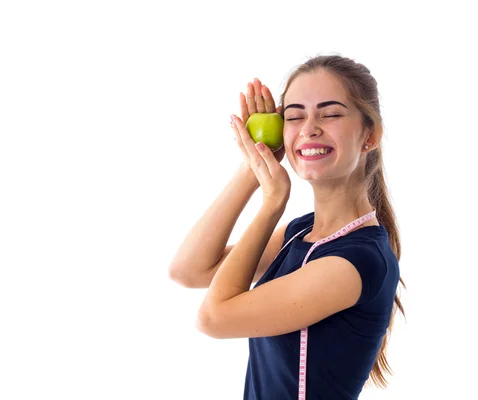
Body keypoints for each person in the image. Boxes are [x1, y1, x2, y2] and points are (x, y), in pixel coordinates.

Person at [168, 54, 406, 400]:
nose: (309, 128)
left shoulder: (355, 261)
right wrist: (253, 168)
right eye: (294, 116)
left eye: (331, 113)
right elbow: (188, 270)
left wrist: (271, 203)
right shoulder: (301, 233)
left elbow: (213, 318)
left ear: (370, 135)